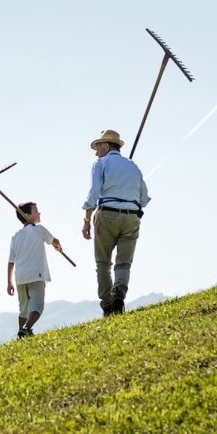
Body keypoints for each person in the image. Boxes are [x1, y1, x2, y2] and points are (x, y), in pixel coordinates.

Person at [81, 129, 150, 316]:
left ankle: (107, 305)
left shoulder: (100, 163)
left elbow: (93, 194)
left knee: (103, 263)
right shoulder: (133, 166)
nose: (96, 152)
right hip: (132, 216)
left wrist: (87, 220)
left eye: (97, 147)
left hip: (107, 214)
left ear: (105, 145)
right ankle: (119, 294)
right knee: (124, 263)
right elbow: (144, 197)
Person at [6, 201, 63, 338]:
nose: (39, 213)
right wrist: (58, 246)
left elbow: (11, 261)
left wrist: (9, 282)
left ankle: (22, 333)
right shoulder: (39, 229)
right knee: (37, 307)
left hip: (20, 278)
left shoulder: (16, 236)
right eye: (36, 211)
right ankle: (25, 328)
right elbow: (54, 240)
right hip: (36, 275)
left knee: (23, 310)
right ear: (27, 215)